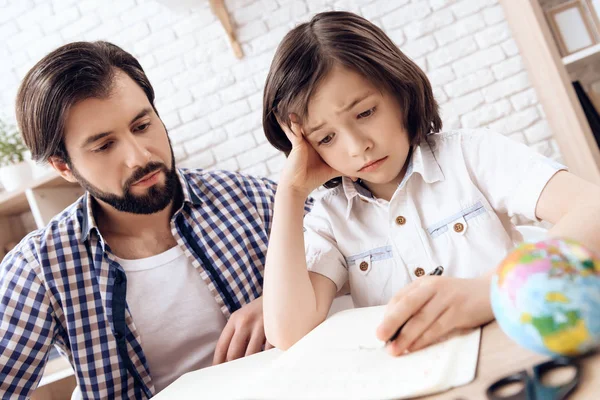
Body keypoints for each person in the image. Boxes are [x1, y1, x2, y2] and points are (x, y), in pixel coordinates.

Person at [261, 11, 600, 355]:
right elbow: (289, 332)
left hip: (515, 354)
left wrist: (492, 290)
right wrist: (290, 193)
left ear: (399, 90)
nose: (356, 146)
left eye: (365, 113)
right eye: (326, 138)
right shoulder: (332, 219)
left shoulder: (471, 155)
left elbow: (593, 208)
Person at [0, 41, 300, 399]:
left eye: (142, 125)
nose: (139, 156)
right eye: (104, 146)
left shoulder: (246, 199)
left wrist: (279, 300)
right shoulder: (41, 267)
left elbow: (348, 247)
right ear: (63, 167)